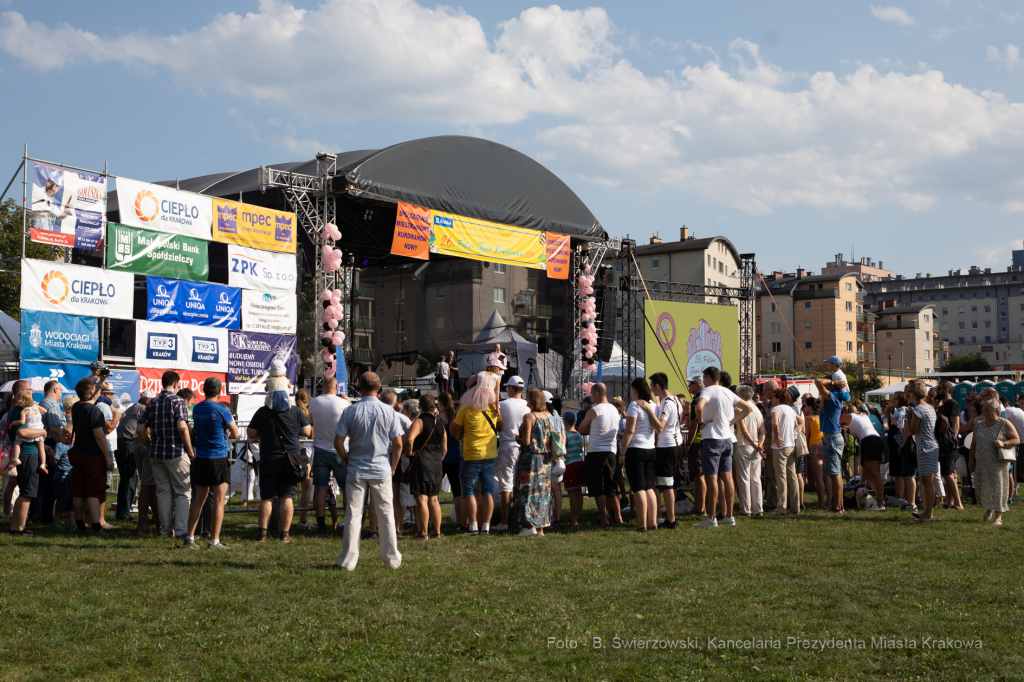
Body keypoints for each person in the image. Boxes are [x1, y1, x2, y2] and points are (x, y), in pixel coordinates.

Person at [335, 372, 404, 570]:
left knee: (353, 515)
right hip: (381, 468)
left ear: (360, 388)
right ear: (379, 388)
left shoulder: (350, 411)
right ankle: (392, 560)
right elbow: (398, 444)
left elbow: (338, 442)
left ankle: (348, 561)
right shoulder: (389, 411)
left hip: (356, 469)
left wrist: (347, 460)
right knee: (386, 514)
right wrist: (393, 467)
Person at [246, 384, 311, 542]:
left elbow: (251, 432)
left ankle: (262, 534)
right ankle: (285, 534)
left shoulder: (262, 412)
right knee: (287, 497)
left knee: (267, 498)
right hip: (291, 460)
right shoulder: (295, 411)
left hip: (269, 459)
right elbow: (307, 431)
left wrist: (261, 432)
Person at [450, 352, 505, 535]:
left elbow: (454, 431)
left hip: (471, 455)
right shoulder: (493, 410)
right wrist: (497, 411)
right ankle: (486, 526)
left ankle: (473, 525)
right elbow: (500, 427)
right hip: (490, 455)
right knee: (487, 491)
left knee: (469, 491)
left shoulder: (465, 409)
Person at [182, 378, 238, 549]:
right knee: (219, 501)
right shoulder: (222, 409)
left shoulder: (197, 408)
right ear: (219, 391)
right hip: (218, 457)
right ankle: (214, 540)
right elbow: (236, 433)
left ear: (204, 389)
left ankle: (190, 537)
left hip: (200, 457)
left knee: (198, 499)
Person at [136, 372, 193, 539]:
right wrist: (190, 450)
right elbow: (182, 428)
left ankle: (166, 531)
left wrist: (150, 446)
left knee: (163, 492)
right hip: (175, 453)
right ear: (176, 384)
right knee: (183, 492)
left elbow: (140, 429)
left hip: (156, 454)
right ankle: (181, 531)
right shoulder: (178, 401)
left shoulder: (152, 402)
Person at [694, 367, 751, 527]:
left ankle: (711, 518)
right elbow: (748, 408)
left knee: (712, 478)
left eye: (703, 378)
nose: (703, 381)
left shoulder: (708, 391)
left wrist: (700, 423)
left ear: (708, 377)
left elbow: (699, 407)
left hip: (711, 438)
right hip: (727, 439)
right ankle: (729, 516)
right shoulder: (728, 392)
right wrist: (731, 422)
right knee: (727, 477)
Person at [67, 377, 116, 536]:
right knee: (94, 491)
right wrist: (108, 457)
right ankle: (96, 527)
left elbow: (91, 399)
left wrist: (100, 382)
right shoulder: (94, 411)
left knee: (79, 492)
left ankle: (80, 526)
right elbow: (99, 436)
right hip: (92, 456)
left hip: (78, 454)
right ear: (92, 392)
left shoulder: (76, 406)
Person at [513, 388, 564, 537]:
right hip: (545, 460)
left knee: (527, 491)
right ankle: (540, 526)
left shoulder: (529, 417)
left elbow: (526, 441)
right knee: (542, 493)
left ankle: (529, 525)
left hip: (530, 459)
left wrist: (517, 438)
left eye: (527, 397)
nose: (525, 399)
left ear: (532, 399)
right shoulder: (548, 417)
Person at [308, 376, 350, 535]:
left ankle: (321, 527)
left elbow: (311, 423)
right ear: (337, 387)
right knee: (346, 489)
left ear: (323, 386)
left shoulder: (314, 402)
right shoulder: (343, 403)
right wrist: (348, 401)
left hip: (320, 449)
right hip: (340, 450)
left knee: (320, 489)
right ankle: (349, 523)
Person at [620, 377, 663, 532]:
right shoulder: (654, 406)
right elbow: (657, 427)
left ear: (635, 390)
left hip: (636, 449)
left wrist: (622, 452)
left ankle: (642, 524)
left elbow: (629, 430)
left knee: (638, 488)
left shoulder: (634, 405)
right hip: (650, 449)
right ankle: (653, 522)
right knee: (649, 487)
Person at [577, 383, 623, 526]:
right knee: (611, 487)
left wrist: (590, 428)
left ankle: (603, 518)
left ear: (596, 393)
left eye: (591, 394)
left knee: (599, 489)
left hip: (596, 452)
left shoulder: (594, 410)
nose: (590, 397)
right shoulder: (615, 410)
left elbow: (581, 428)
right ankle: (619, 517)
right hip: (611, 451)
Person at [6, 390, 50, 536]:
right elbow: (22, 433)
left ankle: (15, 527)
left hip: (25, 454)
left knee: (25, 491)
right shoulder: (20, 410)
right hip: (28, 454)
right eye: (29, 392)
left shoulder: (17, 408)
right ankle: (19, 528)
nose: (32, 394)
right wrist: (42, 432)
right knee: (27, 492)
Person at [969, 398, 1019, 525]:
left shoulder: (1004, 423)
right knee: (983, 487)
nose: (984, 412)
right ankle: (989, 509)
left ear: (996, 411)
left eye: (987, 409)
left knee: (998, 488)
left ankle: (998, 516)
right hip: (982, 462)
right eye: (983, 409)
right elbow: (973, 443)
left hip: (998, 463)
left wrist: (1003, 443)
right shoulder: (979, 424)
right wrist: (971, 461)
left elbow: (1016, 439)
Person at [403, 394, 446, 539]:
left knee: (422, 498)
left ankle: (423, 533)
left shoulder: (419, 421)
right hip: (436, 461)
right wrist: (438, 459)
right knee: (434, 499)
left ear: (420, 407)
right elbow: (444, 448)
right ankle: (437, 532)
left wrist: (409, 453)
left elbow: (409, 440)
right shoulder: (439, 423)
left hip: (421, 460)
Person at [494, 376, 530, 532]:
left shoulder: (502, 405)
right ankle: (522, 519)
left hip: (507, 447)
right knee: (523, 485)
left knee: (506, 486)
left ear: (511, 388)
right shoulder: (528, 406)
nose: (507, 389)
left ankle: (504, 522)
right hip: (523, 447)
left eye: (507, 387)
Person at [647, 373, 682, 529]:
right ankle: (671, 517)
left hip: (667, 446)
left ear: (657, 386)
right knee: (670, 484)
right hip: (676, 443)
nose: (651, 390)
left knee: (666, 485)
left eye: (652, 386)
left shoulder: (666, 402)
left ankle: (671, 520)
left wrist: (649, 411)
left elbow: (660, 426)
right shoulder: (675, 399)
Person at [813, 372, 847, 514]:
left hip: (832, 438)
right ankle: (839, 505)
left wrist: (830, 382)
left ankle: (838, 506)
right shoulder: (833, 398)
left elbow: (818, 383)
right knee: (835, 473)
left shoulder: (832, 396)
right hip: (832, 438)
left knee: (835, 473)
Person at [114, 391, 151, 522]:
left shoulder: (133, 407)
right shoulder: (142, 408)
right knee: (129, 478)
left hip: (123, 443)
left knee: (129, 478)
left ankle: (123, 511)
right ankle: (123, 513)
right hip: (127, 443)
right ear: (147, 401)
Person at [840, 405, 886, 511]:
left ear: (847, 411)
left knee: (875, 475)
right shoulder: (863, 416)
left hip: (868, 441)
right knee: (870, 476)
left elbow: (836, 425)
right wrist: (862, 480)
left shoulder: (847, 416)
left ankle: (880, 505)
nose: (841, 415)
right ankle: (880, 500)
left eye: (842, 412)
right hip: (876, 440)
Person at [904, 382, 938, 522]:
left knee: (926, 482)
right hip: (932, 446)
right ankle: (928, 512)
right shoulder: (930, 408)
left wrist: (908, 416)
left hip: (924, 447)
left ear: (913, 393)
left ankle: (928, 514)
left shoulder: (917, 410)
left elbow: (913, 431)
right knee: (928, 481)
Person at [733, 384, 765, 516]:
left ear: (743, 395)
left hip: (744, 445)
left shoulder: (739, 408)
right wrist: (759, 444)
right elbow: (763, 430)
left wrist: (754, 443)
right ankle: (758, 509)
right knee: (756, 479)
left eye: (737, 393)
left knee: (744, 478)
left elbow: (743, 429)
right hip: (756, 446)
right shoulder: (757, 409)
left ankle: (746, 509)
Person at [769, 388, 802, 516]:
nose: (772, 399)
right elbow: (801, 421)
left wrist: (777, 436)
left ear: (778, 398)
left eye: (774, 397)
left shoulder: (776, 409)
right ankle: (795, 507)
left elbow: (774, 423)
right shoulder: (791, 410)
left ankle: (781, 508)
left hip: (780, 447)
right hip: (791, 445)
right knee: (792, 477)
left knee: (781, 477)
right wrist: (794, 431)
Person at [936, 382, 964, 510]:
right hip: (943, 443)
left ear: (946, 390)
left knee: (947, 473)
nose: (937, 391)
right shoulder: (943, 405)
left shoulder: (952, 404)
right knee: (946, 473)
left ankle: (958, 503)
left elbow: (956, 424)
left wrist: (952, 441)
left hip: (948, 444)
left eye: (939, 388)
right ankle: (950, 501)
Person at [437, 393, 463, 530]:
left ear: (440, 403)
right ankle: (459, 521)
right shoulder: (456, 415)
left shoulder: (437, 418)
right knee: (457, 492)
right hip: (455, 455)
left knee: (434, 491)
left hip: (441, 456)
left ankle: (433, 520)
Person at [683, 378, 706, 517]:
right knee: (699, 476)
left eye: (691, 384)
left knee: (699, 476)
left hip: (697, 441)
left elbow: (694, 425)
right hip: (704, 440)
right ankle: (699, 507)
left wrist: (688, 444)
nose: (688, 386)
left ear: (699, 386)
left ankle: (700, 509)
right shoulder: (704, 399)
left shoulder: (698, 401)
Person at [294, 389, 315, 530]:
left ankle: (279, 519)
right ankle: (302, 520)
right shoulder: (305, 415)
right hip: (301, 451)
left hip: (291, 451)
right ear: (308, 400)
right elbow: (310, 435)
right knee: (307, 487)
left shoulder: (291, 411)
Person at [802, 398, 827, 509]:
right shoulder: (820, 417)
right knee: (827, 476)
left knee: (819, 477)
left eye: (804, 406)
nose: (803, 408)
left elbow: (806, 437)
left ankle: (821, 503)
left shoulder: (808, 419)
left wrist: (805, 451)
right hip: (824, 443)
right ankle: (829, 501)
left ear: (810, 407)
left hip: (814, 446)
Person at [561, 412, 585, 525]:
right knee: (579, 492)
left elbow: (563, 451)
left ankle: (573, 518)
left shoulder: (566, 435)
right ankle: (578, 517)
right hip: (580, 462)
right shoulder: (578, 434)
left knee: (572, 493)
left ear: (565, 422)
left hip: (570, 464)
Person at [760, 380, 780, 511]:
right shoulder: (772, 405)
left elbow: (771, 423)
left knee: (773, 476)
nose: (763, 393)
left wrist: (760, 418)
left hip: (774, 445)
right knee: (770, 475)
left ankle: (773, 503)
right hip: (771, 445)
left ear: (772, 391)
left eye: (765, 390)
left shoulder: (776, 406)